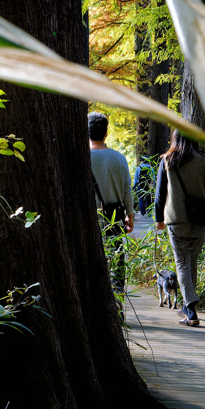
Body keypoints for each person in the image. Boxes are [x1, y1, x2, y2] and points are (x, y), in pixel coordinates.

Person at [155, 130, 205, 327]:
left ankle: (190, 305)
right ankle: (188, 309)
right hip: (200, 221)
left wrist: (159, 219)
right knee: (192, 262)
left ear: (175, 139)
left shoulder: (167, 160)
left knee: (182, 263)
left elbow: (159, 193)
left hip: (176, 220)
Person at [88, 111, 134, 291]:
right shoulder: (119, 158)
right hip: (115, 215)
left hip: (89, 217)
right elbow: (127, 191)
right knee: (117, 259)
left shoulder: (82, 158)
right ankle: (117, 299)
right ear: (106, 133)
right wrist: (129, 215)